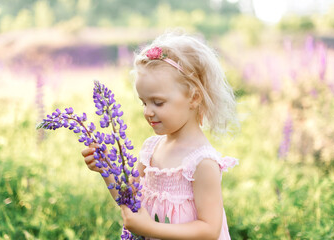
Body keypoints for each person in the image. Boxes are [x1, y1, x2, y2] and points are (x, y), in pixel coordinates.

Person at [82, 30, 240, 240]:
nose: (148, 111)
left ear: (194, 97)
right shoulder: (151, 148)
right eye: (144, 102)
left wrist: (149, 229)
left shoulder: (202, 163)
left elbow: (209, 230)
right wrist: (106, 170)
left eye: (158, 102)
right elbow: (131, 198)